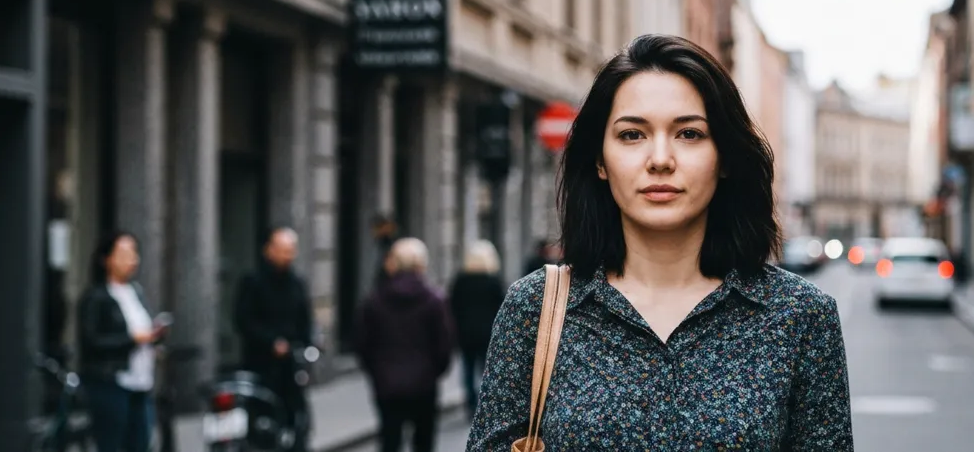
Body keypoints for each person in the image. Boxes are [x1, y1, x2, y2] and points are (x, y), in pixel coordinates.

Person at [466, 35, 853, 450]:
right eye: (632, 135)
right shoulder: (536, 309)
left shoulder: (800, 317)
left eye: (689, 133)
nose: (661, 159)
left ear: (723, 157)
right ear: (600, 160)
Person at [355, 238, 456, 452]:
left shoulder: (374, 300)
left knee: (389, 440)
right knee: (423, 442)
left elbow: (363, 343)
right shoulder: (433, 300)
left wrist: (377, 372)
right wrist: (434, 372)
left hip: (386, 383)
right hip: (424, 383)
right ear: (421, 264)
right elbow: (444, 345)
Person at [78, 231, 167, 452]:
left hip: (141, 382)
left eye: (134, 253)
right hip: (111, 382)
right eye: (125, 253)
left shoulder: (135, 291)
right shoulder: (95, 297)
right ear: (106, 259)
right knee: (112, 444)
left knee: (141, 443)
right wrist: (132, 340)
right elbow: (91, 342)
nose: (132, 259)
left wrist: (153, 342)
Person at [235, 227, 315, 451]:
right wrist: (271, 342)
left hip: (290, 366)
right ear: (269, 250)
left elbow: (304, 319)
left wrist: (307, 343)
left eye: (291, 250)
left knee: (297, 419)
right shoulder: (253, 282)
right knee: (260, 419)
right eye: (282, 250)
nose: (287, 256)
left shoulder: (296, 283)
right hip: (260, 363)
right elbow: (244, 320)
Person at [449, 240, 506, 419]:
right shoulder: (493, 281)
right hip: (488, 333)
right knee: (486, 370)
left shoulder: (460, 281)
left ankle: (470, 402)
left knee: (468, 368)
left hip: (466, 333)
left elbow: (452, 306)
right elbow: (502, 308)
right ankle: (484, 403)